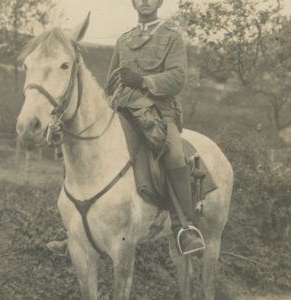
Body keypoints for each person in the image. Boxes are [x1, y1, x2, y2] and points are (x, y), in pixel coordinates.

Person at [47, 0, 204, 255]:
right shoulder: (124, 40)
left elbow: (177, 78)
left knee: (175, 154)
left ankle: (184, 227)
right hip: (122, 109)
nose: (144, 2)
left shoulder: (171, 38)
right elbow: (111, 82)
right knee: (77, 148)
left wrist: (144, 81)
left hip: (158, 112)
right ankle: (74, 227)